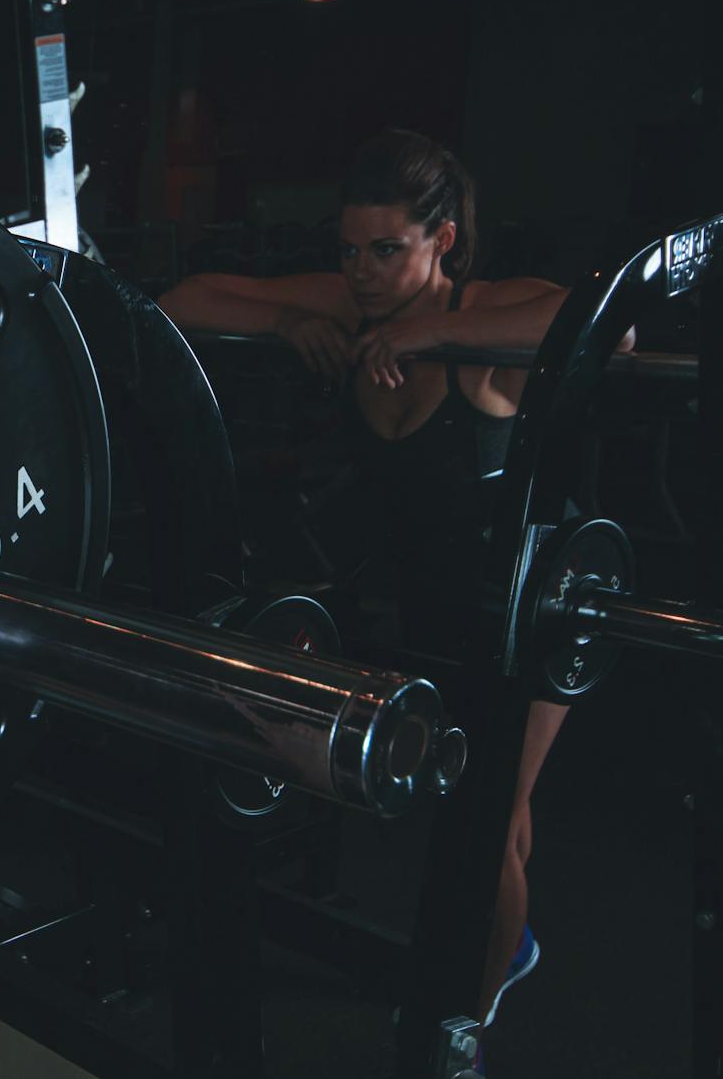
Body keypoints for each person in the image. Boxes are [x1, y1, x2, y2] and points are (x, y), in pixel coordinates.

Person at [158, 128, 619, 1039]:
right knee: (493, 807)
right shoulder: (350, 303)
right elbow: (186, 298)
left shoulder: (482, 318)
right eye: (348, 251)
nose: (362, 273)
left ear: (441, 240)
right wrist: (290, 320)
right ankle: (504, 947)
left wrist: (432, 329)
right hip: (440, 606)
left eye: (387, 250)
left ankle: (461, 1024)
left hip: (545, 601)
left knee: (482, 822)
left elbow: (613, 319)